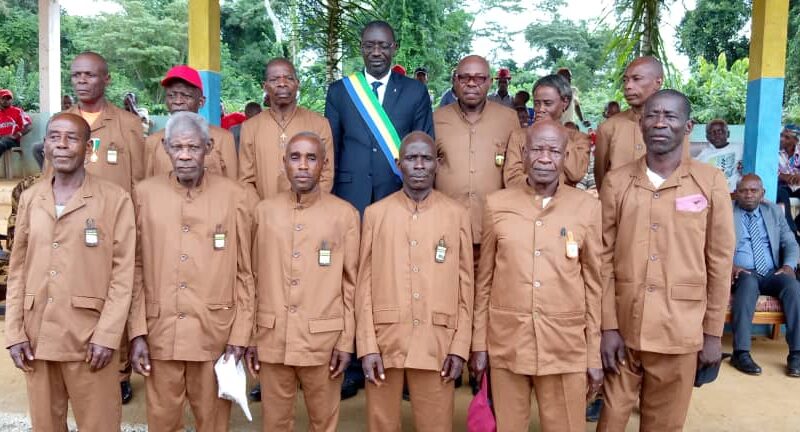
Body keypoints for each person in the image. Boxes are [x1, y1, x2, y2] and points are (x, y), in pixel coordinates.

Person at [598, 90, 735, 431]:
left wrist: (713, 333)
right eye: (652, 115)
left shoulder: (710, 182)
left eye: (670, 116)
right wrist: (607, 325)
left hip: (680, 329)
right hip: (624, 328)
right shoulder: (617, 182)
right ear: (641, 124)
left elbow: (719, 259)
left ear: (688, 126)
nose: (660, 123)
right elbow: (601, 256)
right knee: (611, 420)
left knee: (664, 424)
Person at [5, 112, 135, 431]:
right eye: (54, 137)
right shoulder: (31, 197)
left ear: (88, 148)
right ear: (45, 144)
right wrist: (14, 332)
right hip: (37, 337)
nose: (62, 145)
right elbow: (18, 266)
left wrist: (107, 336)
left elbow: (123, 274)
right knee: (46, 425)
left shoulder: (114, 199)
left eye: (72, 138)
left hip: (89, 339)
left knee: (99, 424)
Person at [470, 120, 603, 431]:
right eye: (538, 149)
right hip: (508, 343)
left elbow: (595, 285)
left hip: (565, 345)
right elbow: (484, 281)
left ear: (565, 155)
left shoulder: (586, 207)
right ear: (525, 153)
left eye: (554, 151)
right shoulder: (496, 204)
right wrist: (479, 344)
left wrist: (593, 355)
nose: (545, 158)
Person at [127, 111, 253, 431]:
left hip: (214, 332)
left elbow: (245, 272)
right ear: (165, 149)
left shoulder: (235, 196)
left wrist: (240, 335)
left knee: (212, 422)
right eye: (177, 147)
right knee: (162, 421)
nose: (185, 155)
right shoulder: (143, 194)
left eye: (193, 147)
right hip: (160, 331)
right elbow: (135, 268)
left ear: (208, 148)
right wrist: (137, 331)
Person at [356, 131, 473, 432]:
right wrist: (367, 346)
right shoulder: (375, 214)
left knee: (436, 424)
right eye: (411, 158)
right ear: (398, 164)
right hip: (385, 341)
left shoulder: (457, 214)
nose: (419, 165)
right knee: (381, 424)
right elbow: (363, 285)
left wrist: (460, 347)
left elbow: (466, 286)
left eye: (426, 158)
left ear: (437, 163)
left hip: (438, 341)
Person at [245, 132, 360, 431]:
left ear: (324, 164)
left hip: (323, 341)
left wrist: (346, 342)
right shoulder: (264, 212)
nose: (303, 166)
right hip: (272, 337)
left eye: (312, 158)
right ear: (284, 163)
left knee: (323, 422)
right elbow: (251, 279)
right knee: (275, 422)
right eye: (295, 157)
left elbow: (352, 285)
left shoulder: (344, 215)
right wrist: (251, 337)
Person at [54, 51, 145, 402]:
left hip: (114, 227)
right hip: (71, 227)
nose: (82, 81)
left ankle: (120, 372)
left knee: (116, 295)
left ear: (106, 79)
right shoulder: (63, 122)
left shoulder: (127, 123)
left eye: (90, 75)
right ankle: (72, 358)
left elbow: (139, 181)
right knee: (73, 293)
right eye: (76, 75)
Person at [325, 21, 434, 215]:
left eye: (383, 46)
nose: (376, 52)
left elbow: (425, 145)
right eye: (369, 45)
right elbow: (331, 148)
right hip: (349, 194)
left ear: (394, 48)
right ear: (361, 47)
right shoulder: (339, 91)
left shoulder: (415, 91)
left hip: (399, 192)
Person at [433, 54, 518, 287]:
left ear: (490, 81)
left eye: (479, 78)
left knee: (487, 298)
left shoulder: (509, 119)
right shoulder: (436, 119)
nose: (472, 83)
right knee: (447, 294)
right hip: (445, 229)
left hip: (492, 231)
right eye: (465, 77)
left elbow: (516, 173)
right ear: (455, 80)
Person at [729, 174, 800, 377]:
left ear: (763, 193)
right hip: (742, 272)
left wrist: (788, 266)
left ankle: (797, 353)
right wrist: (731, 267)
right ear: (736, 193)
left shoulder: (773, 211)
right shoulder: (727, 212)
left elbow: (790, 242)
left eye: (753, 190)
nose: (748, 195)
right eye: (743, 191)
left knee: (793, 286)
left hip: (772, 271)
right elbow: (713, 245)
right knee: (748, 283)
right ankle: (741, 352)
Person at [241, 58, 334, 201]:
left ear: (297, 84)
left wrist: (308, 208)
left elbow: (326, 175)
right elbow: (246, 180)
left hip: (309, 214)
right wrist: (261, 211)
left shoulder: (319, 124)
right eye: (274, 79)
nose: (282, 84)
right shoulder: (250, 127)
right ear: (265, 86)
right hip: (264, 216)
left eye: (289, 78)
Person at [593, 56, 689, 190]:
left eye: (636, 79)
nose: (628, 86)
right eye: (625, 80)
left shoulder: (674, 127)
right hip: (620, 208)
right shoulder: (608, 128)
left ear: (658, 82)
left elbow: (683, 173)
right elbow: (601, 177)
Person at [144, 65, 238, 180]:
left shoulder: (223, 139)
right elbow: (147, 189)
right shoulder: (153, 142)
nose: (177, 101)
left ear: (201, 102)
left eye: (186, 95)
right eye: (171, 95)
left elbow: (234, 188)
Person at [504, 74, 591, 188]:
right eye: (537, 103)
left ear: (565, 102)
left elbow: (576, 174)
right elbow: (511, 179)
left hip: (563, 204)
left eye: (547, 103)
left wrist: (555, 130)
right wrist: (544, 188)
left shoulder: (578, 139)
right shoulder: (519, 136)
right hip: (524, 203)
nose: (540, 109)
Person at [694, 119, 742, 192]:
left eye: (720, 132)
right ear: (707, 137)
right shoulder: (704, 155)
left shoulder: (740, 148)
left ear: (728, 134)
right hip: (713, 194)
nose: (717, 135)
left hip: (735, 193)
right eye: (712, 133)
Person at [0, 89, 32, 158]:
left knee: (1, 143)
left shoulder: (17, 111)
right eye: (3, 98)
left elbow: (29, 126)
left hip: (12, 141)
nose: (6, 100)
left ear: (11, 100)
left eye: (8, 98)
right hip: (1, 138)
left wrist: (18, 134)